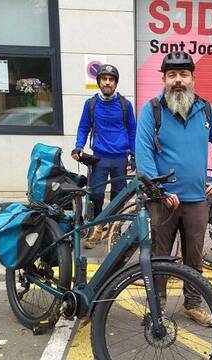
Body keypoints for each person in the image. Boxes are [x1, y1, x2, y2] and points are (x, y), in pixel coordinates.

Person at [136, 51, 212, 327]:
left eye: (183, 75)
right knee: (160, 257)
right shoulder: (152, 110)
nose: (178, 80)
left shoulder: (207, 110)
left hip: (197, 201)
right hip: (162, 201)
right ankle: (157, 306)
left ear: (192, 78)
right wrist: (159, 191)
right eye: (172, 75)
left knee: (194, 257)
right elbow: (143, 153)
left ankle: (192, 305)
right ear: (164, 79)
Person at [72, 64, 136, 249]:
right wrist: (78, 147)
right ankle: (97, 229)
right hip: (99, 158)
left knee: (118, 196)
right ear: (99, 82)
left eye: (111, 79)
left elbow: (132, 130)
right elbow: (84, 127)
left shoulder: (125, 105)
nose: (108, 82)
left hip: (120, 158)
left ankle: (113, 229)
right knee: (96, 195)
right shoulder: (91, 104)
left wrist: (134, 155)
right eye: (104, 79)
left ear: (116, 83)